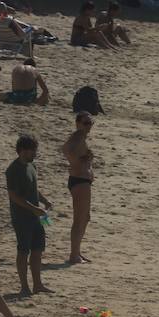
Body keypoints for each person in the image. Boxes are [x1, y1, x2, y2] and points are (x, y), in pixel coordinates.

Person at [5, 134, 52, 295]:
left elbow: (34, 188)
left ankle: (38, 284)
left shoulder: (32, 167)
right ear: (22, 151)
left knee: (38, 249)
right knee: (23, 251)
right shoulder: (13, 170)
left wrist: (45, 201)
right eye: (32, 150)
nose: (35, 153)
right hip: (22, 217)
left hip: (37, 216)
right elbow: (13, 196)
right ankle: (24, 286)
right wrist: (33, 208)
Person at [62, 111, 95, 264]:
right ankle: (74, 255)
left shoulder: (80, 137)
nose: (88, 126)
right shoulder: (77, 136)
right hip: (80, 181)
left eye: (90, 123)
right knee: (79, 219)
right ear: (78, 123)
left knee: (85, 218)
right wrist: (77, 161)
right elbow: (67, 149)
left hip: (82, 181)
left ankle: (77, 252)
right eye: (86, 123)